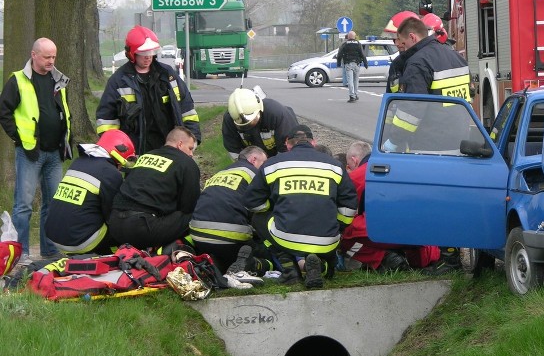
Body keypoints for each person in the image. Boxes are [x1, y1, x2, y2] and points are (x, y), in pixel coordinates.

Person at [243, 124, 358, 289]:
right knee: (327, 260)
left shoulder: (272, 165)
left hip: (285, 239)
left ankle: (288, 266)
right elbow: (349, 207)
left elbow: (251, 202)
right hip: (326, 240)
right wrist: (337, 228)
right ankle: (321, 266)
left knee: (258, 219)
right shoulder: (335, 166)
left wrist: (274, 208)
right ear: (313, 142)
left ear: (287, 144)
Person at [0, 38, 72, 265]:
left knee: (53, 204)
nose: (51, 61)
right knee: (23, 205)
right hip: (30, 151)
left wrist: (67, 139)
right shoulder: (18, 80)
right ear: (34, 55)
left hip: (54, 153)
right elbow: (4, 112)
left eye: (54, 57)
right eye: (47, 57)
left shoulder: (58, 79)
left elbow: (64, 112)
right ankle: (20, 255)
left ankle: (49, 250)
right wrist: (19, 138)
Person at [96, 26, 201, 155]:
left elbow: (187, 109)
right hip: (136, 151)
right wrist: (118, 151)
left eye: (151, 53)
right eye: (143, 54)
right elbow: (107, 120)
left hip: (170, 148)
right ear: (132, 54)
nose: (148, 57)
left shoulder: (168, 75)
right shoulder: (119, 81)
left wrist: (192, 140)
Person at [338, 140, 440, 272]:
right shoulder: (401, 168)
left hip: (383, 230)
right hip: (416, 233)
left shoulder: (356, 177)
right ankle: (421, 260)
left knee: (348, 240)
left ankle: (385, 258)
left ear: (354, 160)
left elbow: (348, 211)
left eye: (349, 166)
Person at [189, 145, 281, 288]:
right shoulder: (255, 174)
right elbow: (263, 206)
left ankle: (215, 265)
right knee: (269, 257)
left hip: (198, 236)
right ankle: (251, 264)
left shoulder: (220, 173)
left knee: (226, 256)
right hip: (231, 237)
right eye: (264, 163)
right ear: (253, 159)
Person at [383, 16, 472, 151]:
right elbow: (469, 95)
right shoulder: (456, 57)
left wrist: (394, 140)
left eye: (403, 43)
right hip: (461, 141)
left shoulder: (417, 63)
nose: (403, 49)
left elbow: (412, 110)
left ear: (412, 37)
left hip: (430, 145)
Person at [44, 130, 136, 257]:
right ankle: (111, 257)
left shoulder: (78, 162)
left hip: (55, 236)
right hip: (80, 241)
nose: (120, 168)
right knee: (123, 230)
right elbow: (113, 215)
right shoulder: (110, 173)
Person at [108, 126, 200, 250]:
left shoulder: (145, 156)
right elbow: (189, 206)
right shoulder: (187, 163)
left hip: (115, 225)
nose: (191, 154)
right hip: (143, 229)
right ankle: (173, 252)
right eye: (190, 149)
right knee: (194, 215)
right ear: (179, 144)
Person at [222, 87, 299, 160]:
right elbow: (233, 149)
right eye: (243, 126)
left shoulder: (278, 115)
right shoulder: (229, 120)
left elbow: (288, 149)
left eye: (253, 121)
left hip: (279, 155)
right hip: (253, 160)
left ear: (259, 107)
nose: (249, 127)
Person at [384, 11, 420, 93]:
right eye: (393, 39)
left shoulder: (424, 60)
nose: (396, 43)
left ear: (412, 36)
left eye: (399, 38)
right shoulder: (396, 64)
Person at [336, 31, 368, 102]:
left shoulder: (344, 44)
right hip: (357, 64)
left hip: (348, 64)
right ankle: (356, 94)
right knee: (356, 80)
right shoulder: (358, 44)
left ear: (348, 37)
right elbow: (362, 54)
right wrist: (366, 63)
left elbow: (339, 55)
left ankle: (352, 96)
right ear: (354, 36)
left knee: (350, 80)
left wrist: (338, 63)